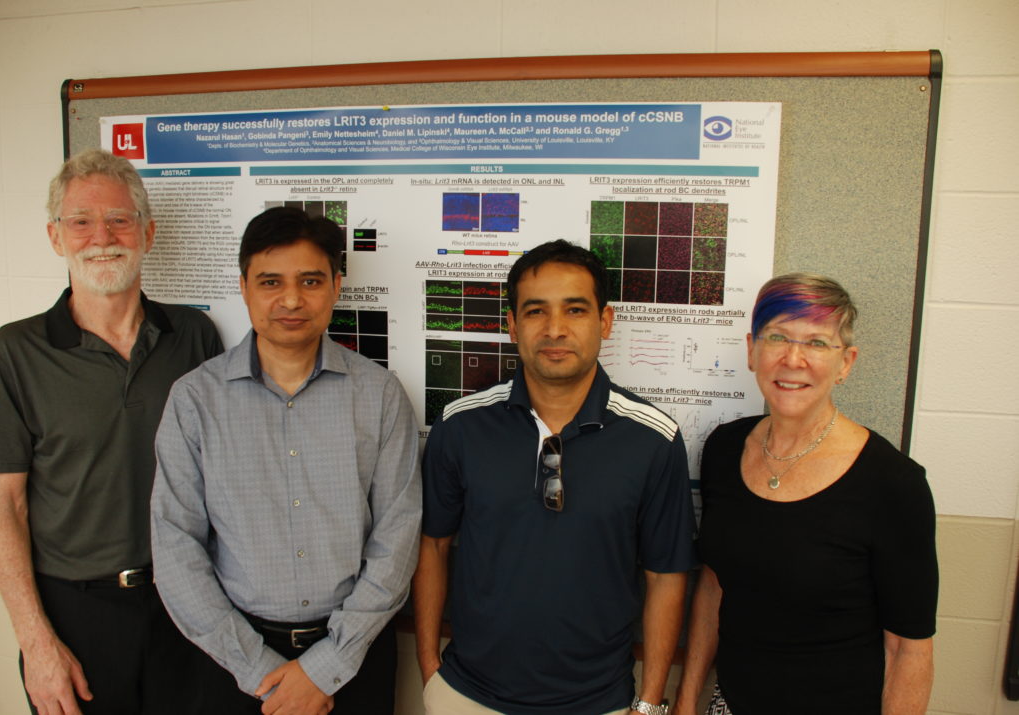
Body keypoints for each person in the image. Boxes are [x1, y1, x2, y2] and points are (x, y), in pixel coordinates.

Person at [0, 149, 224, 715]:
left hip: (190, 604)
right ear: (56, 237)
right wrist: (36, 642)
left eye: (119, 219)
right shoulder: (11, 354)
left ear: (147, 233)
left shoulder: (194, 337)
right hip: (76, 615)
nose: (102, 235)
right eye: (80, 221)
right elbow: (0, 506)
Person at [150, 206, 421, 715]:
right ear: (244, 287)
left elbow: (397, 537)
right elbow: (175, 544)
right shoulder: (194, 400)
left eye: (311, 280)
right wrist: (259, 672)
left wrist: (325, 668)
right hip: (235, 663)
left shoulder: (380, 395)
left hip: (355, 656)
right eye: (270, 281)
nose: (291, 299)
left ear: (337, 286)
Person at [414, 239, 697, 715]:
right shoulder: (461, 425)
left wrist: (648, 703)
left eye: (575, 310)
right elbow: (433, 545)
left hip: (600, 702)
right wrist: (428, 672)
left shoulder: (653, 438)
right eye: (535, 311)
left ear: (604, 321)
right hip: (465, 696)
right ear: (512, 324)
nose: (555, 329)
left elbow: (666, 576)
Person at [673, 273, 938, 715]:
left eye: (817, 342)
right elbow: (714, 588)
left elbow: (908, 651)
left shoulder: (894, 484)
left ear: (846, 362)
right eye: (777, 337)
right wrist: (685, 703)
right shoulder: (723, 449)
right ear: (752, 351)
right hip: (730, 704)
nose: (793, 359)